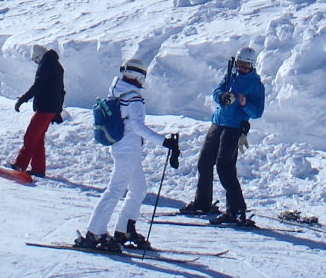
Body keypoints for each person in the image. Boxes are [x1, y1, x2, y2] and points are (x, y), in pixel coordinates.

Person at [75, 58, 181, 254]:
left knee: (139, 189)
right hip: (128, 150)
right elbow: (138, 128)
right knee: (115, 190)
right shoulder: (134, 98)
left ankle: (124, 229)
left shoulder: (119, 92)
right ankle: (95, 232)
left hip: (124, 148)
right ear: (139, 76)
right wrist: (165, 141)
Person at [180, 45, 266, 226]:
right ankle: (202, 202)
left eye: (246, 66)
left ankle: (236, 210)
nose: (242, 68)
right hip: (218, 122)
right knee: (204, 162)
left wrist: (244, 104)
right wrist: (222, 97)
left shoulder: (256, 84)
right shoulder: (230, 76)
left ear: (252, 66)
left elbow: (258, 111)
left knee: (224, 167)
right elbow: (217, 92)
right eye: (240, 64)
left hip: (234, 127)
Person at [10, 44, 65, 176]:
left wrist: (23, 99)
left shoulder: (46, 64)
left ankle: (20, 165)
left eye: (35, 60)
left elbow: (38, 85)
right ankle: (38, 169)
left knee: (30, 136)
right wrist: (57, 110)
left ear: (38, 56)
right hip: (51, 107)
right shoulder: (56, 65)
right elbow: (60, 90)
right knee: (38, 138)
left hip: (45, 107)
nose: (36, 63)